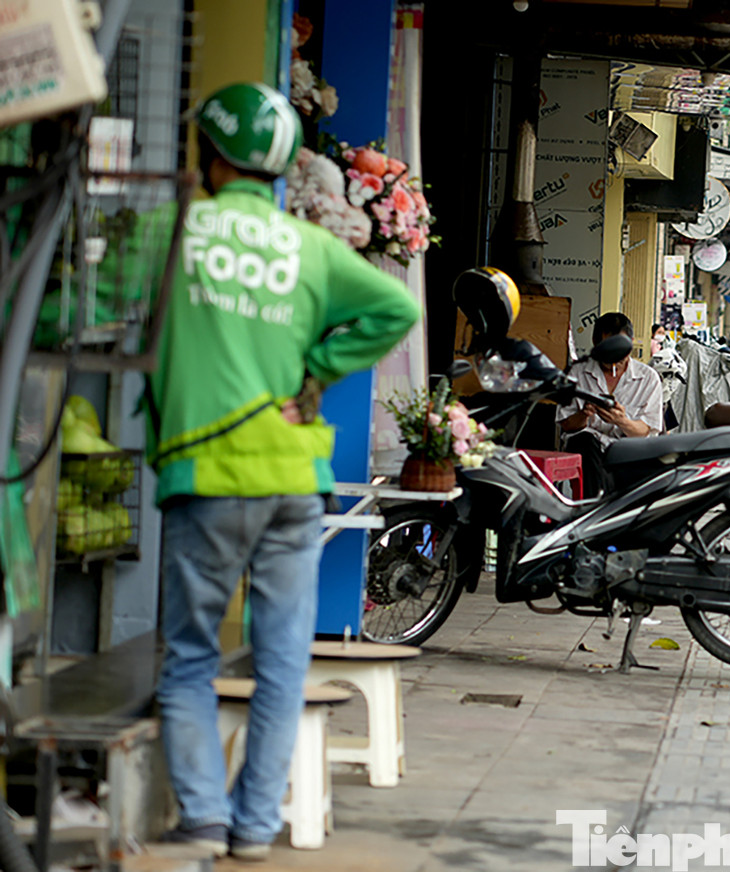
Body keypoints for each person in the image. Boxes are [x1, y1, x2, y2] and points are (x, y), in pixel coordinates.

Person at [151, 83, 420, 859]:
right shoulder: (307, 247)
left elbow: (95, 303)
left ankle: (202, 814)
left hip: (205, 478)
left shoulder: (175, 230)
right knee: (280, 662)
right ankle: (256, 824)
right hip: (293, 483)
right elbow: (395, 311)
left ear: (207, 152)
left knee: (191, 657)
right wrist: (315, 369)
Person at [557, 312, 663, 494]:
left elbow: (646, 430)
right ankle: (595, 508)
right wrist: (584, 414)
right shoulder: (577, 373)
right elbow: (566, 425)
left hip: (627, 450)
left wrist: (622, 421)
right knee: (585, 443)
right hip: (588, 449)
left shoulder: (648, 378)